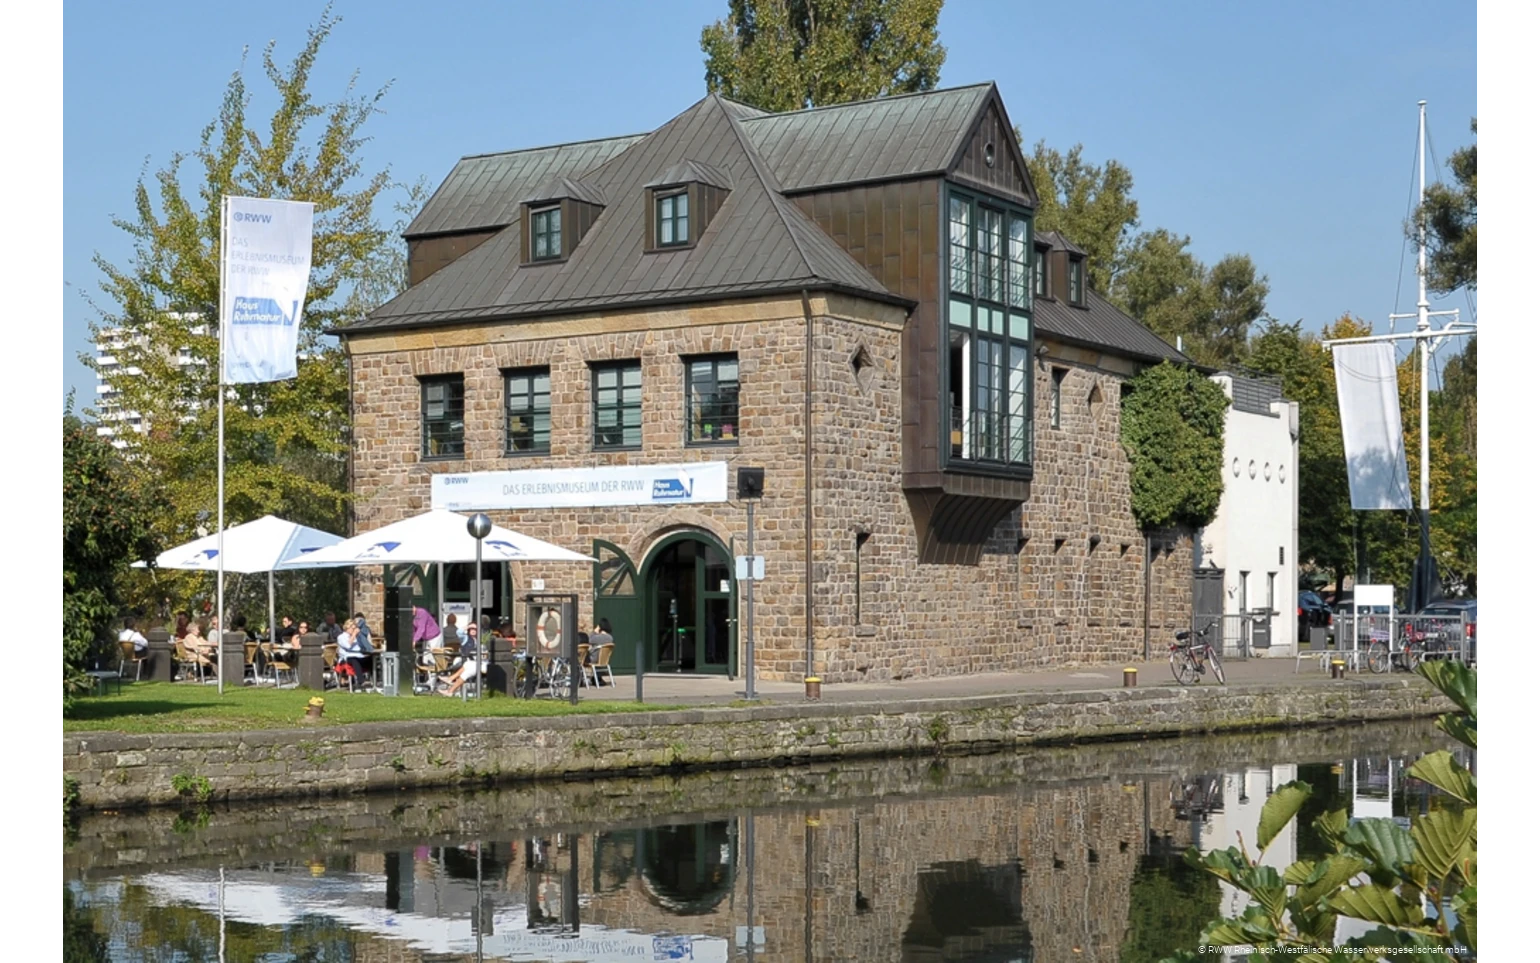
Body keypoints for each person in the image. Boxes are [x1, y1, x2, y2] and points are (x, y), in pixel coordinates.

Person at [439, 622, 487, 697]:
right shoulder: (466, 638)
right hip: (465, 660)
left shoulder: (479, 641)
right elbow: (459, 632)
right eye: (471, 629)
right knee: (467, 665)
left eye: (475, 629)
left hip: (478, 662)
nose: (473, 630)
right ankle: (450, 684)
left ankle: (450, 687)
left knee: (467, 668)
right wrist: (468, 626)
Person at [336, 617, 374, 683]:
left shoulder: (357, 637)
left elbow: (363, 645)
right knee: (354, 660)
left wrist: (361, 636)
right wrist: (354, 635)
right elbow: (348, 646)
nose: (353, 630)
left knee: (372, 659)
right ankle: (361, 681)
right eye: (352, 629)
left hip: (359, 655)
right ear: (347, 628)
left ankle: (375, 680)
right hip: (347, 657)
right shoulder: (341, 637)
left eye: (354, 628)